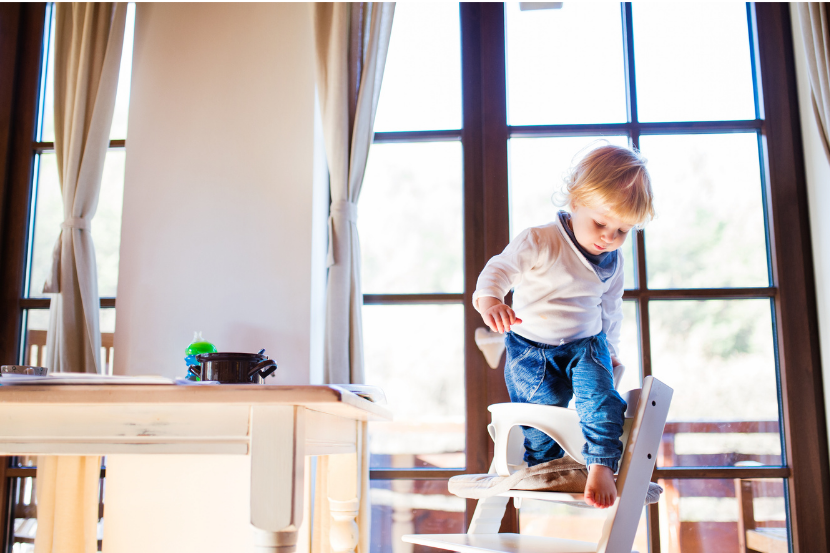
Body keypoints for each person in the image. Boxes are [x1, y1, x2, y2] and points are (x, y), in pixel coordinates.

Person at [473, 144, 655, 508]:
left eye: (622, 230)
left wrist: (612, 350)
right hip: (530, 347)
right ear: (575, 201)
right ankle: (547, 468)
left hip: (586, 344)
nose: (609, 237)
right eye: (601, 223)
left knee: (601, 401)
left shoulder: (612, 262)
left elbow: (610, 307)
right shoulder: (540, 240)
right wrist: (490, 300)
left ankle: (601, 463)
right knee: (539, 411)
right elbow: (499, 270)